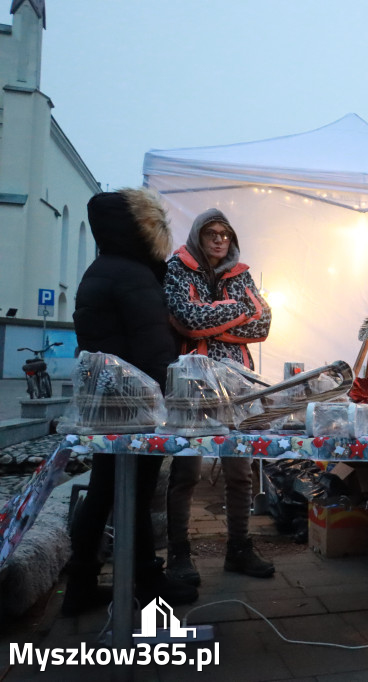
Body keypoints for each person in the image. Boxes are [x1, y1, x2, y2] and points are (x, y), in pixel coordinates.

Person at [64, 188, 198, 615]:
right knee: (131, 494)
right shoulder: (132, 275)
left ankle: (84, 583)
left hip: (110, 404)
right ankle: (146, 581)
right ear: (141, 231)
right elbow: (153, 350)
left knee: (108, 491)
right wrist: (173, 400)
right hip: (136, 408)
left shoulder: (104, 268)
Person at [164, 208, 274, 583]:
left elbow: (263, 324)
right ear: (199, 235)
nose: (218, 240)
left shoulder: (240, 274)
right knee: (186, 470)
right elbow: (185, 320)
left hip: (236, 384)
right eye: (211, 233)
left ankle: (239, 549)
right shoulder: (178, 268)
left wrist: (208, 322)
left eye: (225, 234)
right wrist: (236, 311)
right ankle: (179, 554)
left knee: (240, 471)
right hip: (192, 385)